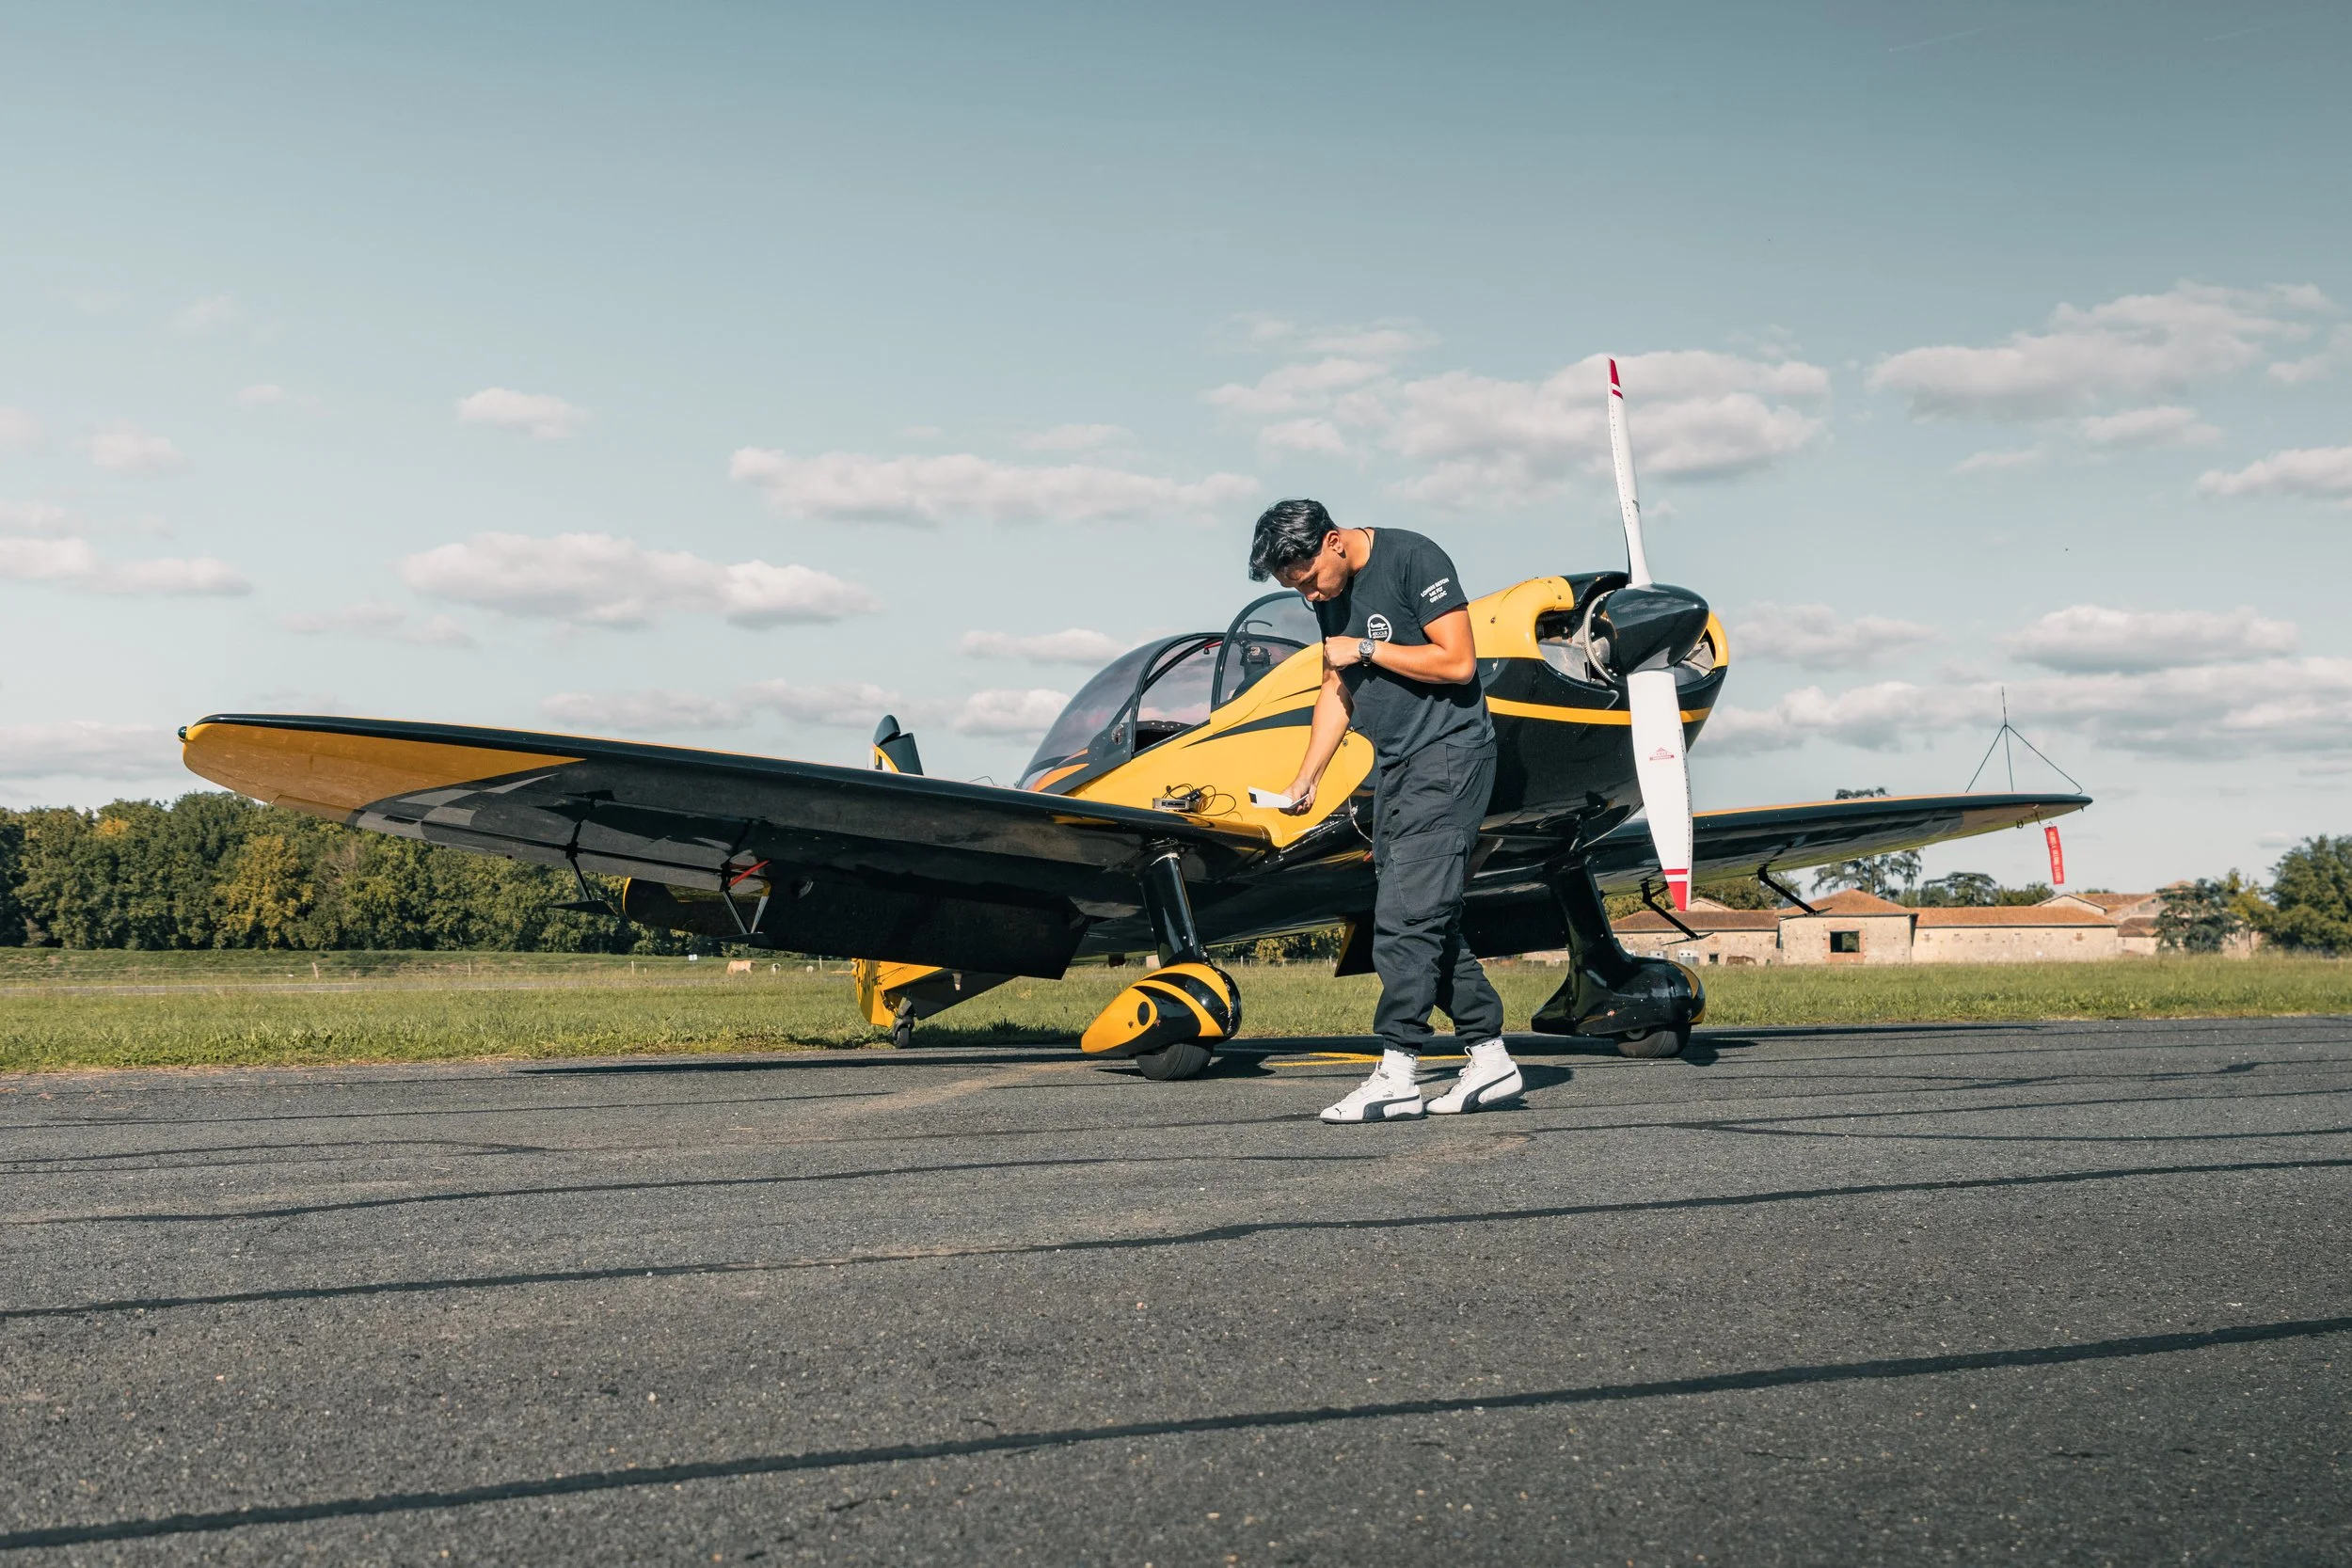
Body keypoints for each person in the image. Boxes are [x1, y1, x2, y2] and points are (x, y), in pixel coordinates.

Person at [1248, 499, 1523, 1122]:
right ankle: (1490, 1055)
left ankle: (1398, 1071)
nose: (1312, 598)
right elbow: (1335, 688)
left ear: (1335, 543)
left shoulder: (1413, 558)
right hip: (1398, 765)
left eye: (1311, 581)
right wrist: (1306, 777)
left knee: (1403, 920)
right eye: (1298, 592)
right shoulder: (1329, 600)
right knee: (1427, 916)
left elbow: (1457, 662)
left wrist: (1368, 651)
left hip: (1449, 756)